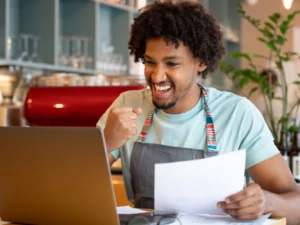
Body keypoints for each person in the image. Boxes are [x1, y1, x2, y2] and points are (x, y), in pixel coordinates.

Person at [97, 1, 300, 224]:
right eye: (150, 62)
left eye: (172, 64)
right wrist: (106, 142)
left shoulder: (237, 114)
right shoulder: (126, 105)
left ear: (201, 62)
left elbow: (295, 203)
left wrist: (268, 202)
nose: (157, 76)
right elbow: (69, 186)